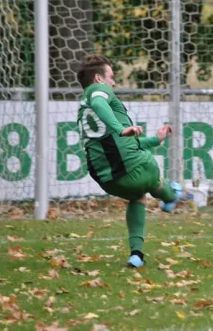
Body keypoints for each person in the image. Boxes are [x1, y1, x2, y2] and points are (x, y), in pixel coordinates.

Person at [76, 55, 183, 269]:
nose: (113, 83)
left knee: (137, 196)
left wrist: (156, 139)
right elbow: (100, 101)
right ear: (98, 78)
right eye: (111, 77)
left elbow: (122, 145)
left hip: (106, 178)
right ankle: (172, 196)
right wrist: (121, 128)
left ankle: (137, 254)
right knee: (152, 180)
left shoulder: (83, 107)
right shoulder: (100, 92)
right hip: (136, 167)